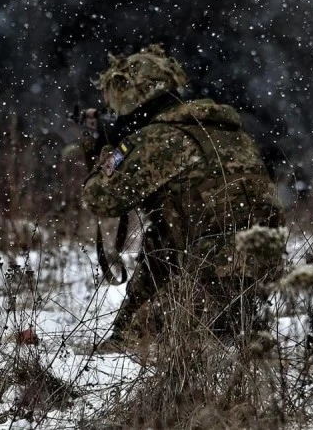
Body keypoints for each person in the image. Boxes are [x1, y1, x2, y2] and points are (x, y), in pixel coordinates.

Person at [80, 44, 284, 350]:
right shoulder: (228, 132)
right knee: (162, 236)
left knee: (138, 345)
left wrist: (108, 148)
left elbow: (99, 198)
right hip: (259, 268)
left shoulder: (159, 138)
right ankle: (235, 325)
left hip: (213, 269)